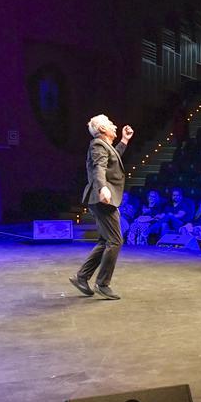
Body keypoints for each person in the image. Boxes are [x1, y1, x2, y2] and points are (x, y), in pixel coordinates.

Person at [70, 114, 133, 300]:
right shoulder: (97, 144)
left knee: (106, 241)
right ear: (102, 129)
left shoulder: (105, 147)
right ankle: (102, 284)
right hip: (102, 198)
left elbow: (112, 161)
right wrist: (103, 188)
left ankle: (81, 277)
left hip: (99, 199)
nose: (114, 125)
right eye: (110, 124)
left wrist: (124, 141)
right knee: (115, 241)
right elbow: (99, 167)